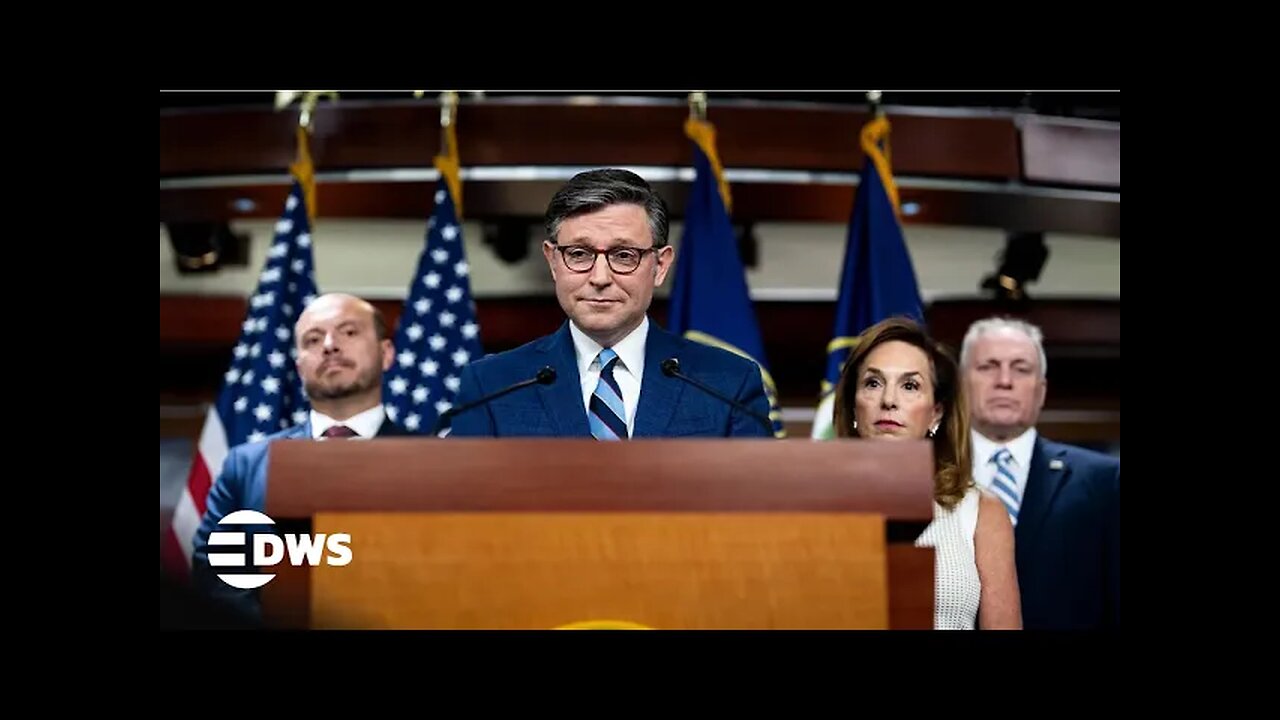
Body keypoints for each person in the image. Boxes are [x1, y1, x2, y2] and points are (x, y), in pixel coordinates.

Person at [449, 168, 772, 439]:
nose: (600, 277)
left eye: (623, 256)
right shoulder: (493, 385)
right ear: (552, 261)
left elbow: (761, 505)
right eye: (579, 254)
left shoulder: (727, 383)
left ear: (660, 266)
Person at [189, 292, 411, 624]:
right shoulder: (246, 465)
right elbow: (217, 576)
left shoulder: (433, 459)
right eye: (313, 339)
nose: (330, 345)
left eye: (349, 332)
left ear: (386, 353)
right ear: (299, 366)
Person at [835, 317, 1021, 630]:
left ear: (936, 413)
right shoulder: (814, 504)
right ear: (854, 406)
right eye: (873, 383)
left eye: (910, 386)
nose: (889, 401)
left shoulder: (981, 511)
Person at [961, 317, 1120, 629]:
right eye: (988, 366)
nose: (1004, 380)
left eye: (1021, 369)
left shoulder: (1104, 481)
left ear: (1041, 390)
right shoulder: (928, 475)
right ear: (962, 383)